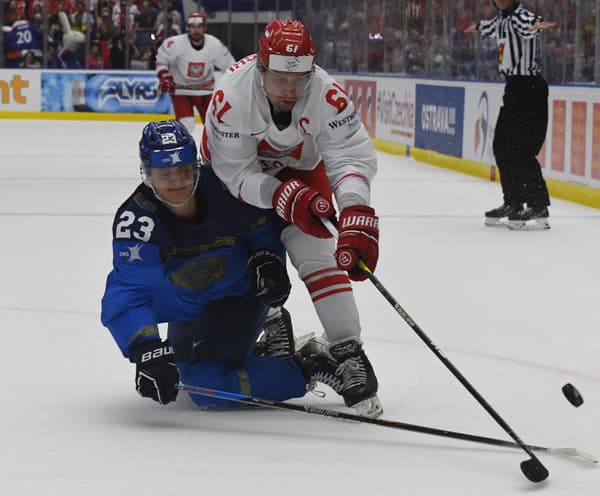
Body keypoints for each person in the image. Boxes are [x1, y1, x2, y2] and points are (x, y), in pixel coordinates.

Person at [201, 19, 383, 418]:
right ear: (261, 68)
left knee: (319, 248)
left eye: (299, 78)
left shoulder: (327, 93)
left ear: (311, 70)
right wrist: (279, 194)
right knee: (244, 252)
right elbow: (234, 174)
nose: (289, 89)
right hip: (229, 177)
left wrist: (355, 210)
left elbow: (350, 155)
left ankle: (346, 348)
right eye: (280, 78)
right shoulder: (231, 96)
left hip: (299, 169)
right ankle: (268, 315)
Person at [101, 120, 347, 409]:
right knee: (181, 368)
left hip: (235, 299)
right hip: (189, 305)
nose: (177, 182)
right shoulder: (137, 222)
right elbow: (129, 293)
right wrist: (146, 349)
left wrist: (267, 262)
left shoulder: (225, 187)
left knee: (206, 388)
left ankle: (307, 364)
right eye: (164, 174)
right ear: (147, 174)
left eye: (183, 171)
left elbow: (262, 230)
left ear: (195, 166)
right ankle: (258, 344)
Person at [465, 1, 556, 230]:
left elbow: (529, 23)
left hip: (530, 88)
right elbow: (490, 26)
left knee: (521, 149)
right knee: (502, 146)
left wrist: (537, 25)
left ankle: (538, 204)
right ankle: (513, 201)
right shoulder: (502, 19)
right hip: (514, 88)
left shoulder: (519, 16)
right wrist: (476, 26)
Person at [156, 12, 235, 133]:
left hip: (205, 91)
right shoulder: (175, 43)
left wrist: (233, 84)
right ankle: (183, 150)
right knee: (186, 125)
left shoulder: (214, 44)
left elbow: (230, 66)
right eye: (193, 26)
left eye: (199, 26)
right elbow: (162, 60)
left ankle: (212, 151)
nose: (196, 30)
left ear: (204, 27)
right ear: (188, 27)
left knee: (213, 127)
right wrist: (164, 76)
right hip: (181, 91)